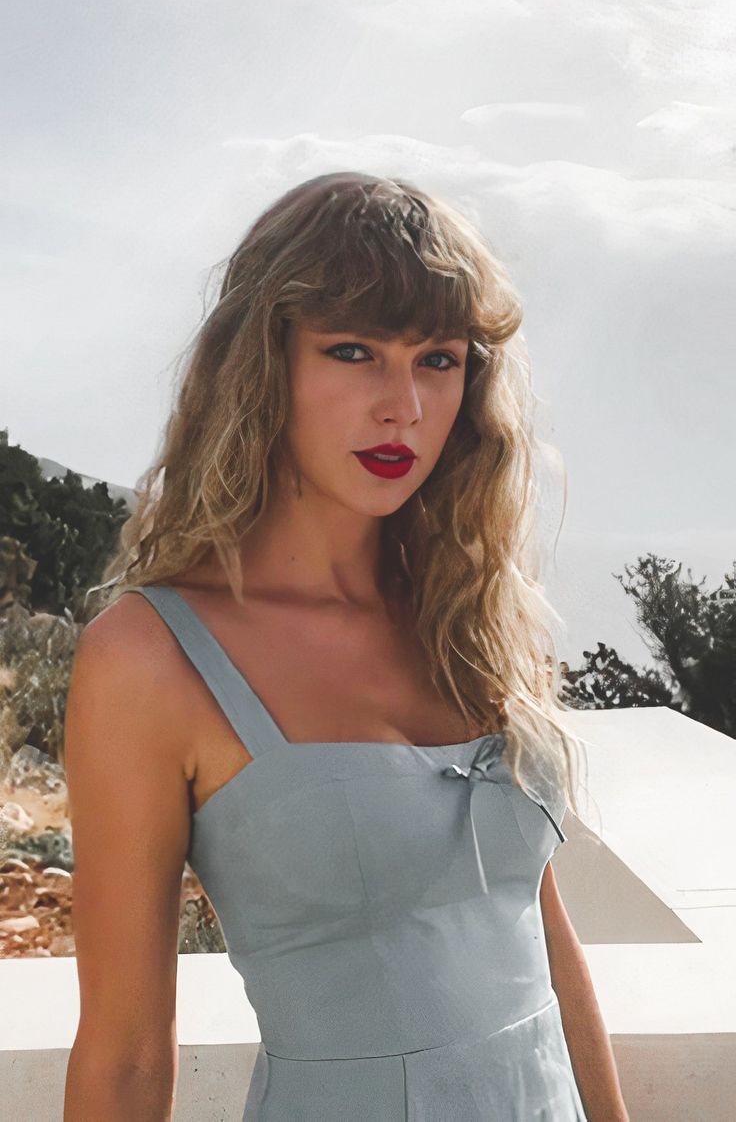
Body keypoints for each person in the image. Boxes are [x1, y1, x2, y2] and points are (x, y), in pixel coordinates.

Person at [62, 172, 629, 1120]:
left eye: (437, 359)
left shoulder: (468, 614)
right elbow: (124, 1059)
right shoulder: (151, 659)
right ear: (265, 365)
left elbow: (544, 949)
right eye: (354, 352)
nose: (401, 405)